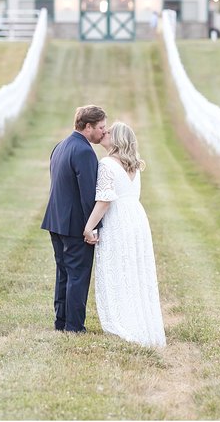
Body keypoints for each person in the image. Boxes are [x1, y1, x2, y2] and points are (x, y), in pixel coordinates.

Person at [83, 122, 166, 347]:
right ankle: (138, 320)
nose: (104, 133)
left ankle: (124, 322)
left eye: (109, 132)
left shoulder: (107, 164)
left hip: (118, 219)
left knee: (119, 268)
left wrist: (89, 227)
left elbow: (105, 200)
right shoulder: (134, 165)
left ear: (117, 139)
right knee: (133, 269)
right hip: (136, 218)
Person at [41, 105, 106, 333]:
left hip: (55, 220)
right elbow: (89, 195)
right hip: (75, 224)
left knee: (64, 272)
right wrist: (93, 227)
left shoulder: (60, 146)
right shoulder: (85, 152)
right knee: (78, 275)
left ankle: (62, 321)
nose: (103, 132)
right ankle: (74, 326)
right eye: (100, 127)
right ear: (88, 127)